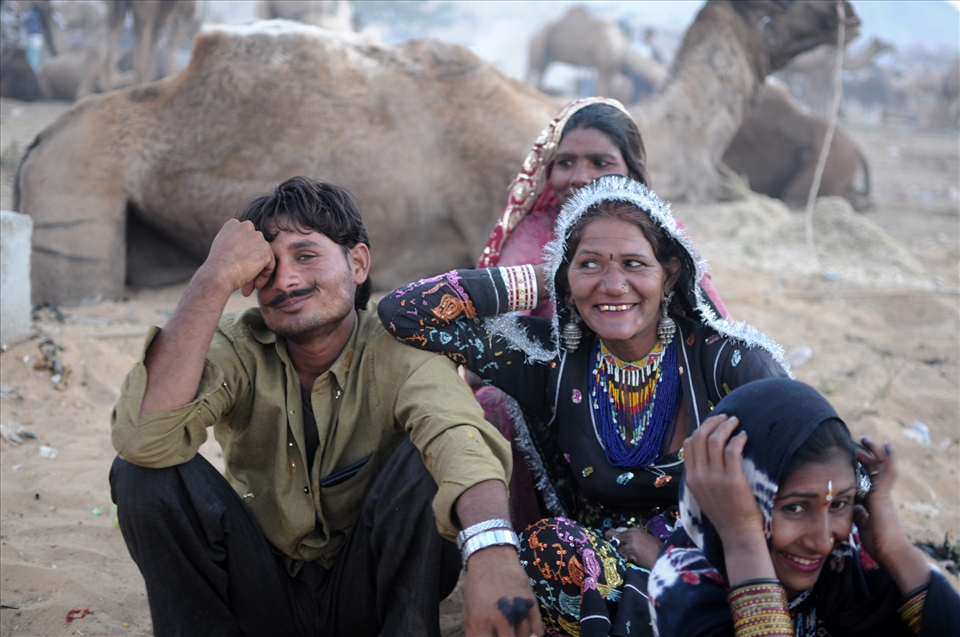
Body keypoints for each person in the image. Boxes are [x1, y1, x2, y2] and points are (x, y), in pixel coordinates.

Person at [109, 176, 541, 637]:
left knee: (425, 463)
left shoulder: (400, 345)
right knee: (142, 473)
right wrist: (213, 277)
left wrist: (493, 552)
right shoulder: (236, 346)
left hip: (369, 593)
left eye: (306, 255)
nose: (287, 279)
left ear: (357, 264)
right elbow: (142, 438)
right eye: (268, 267)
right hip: (259, 592)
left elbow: (458, 435)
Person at [378, 174, 790, 636]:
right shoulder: (549, 359)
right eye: (590, 265)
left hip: (727, 566)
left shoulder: (727, 360)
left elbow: (800, 470)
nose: (613, 286)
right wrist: (543, 278)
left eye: (635, 264)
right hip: (600, 575)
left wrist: (673, 557)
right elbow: (406, 312)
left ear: (669, 273)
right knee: (548, 550)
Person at [475, 97, 730, 533]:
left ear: (632, 170)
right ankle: (537, 543)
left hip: (658, 395)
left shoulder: (659, 234)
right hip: (560, 401)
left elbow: (714, 325)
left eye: (600, 162)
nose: (580, 177)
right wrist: (560, 276)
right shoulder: (536, 233)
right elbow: (493, 328)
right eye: (565, 162)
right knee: (494, 404)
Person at [648, 378, 960, 636]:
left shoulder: (850, 561)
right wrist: (742, 538)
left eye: (839, 503)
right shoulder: (683, 584)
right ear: (727, 501)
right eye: (794, 508)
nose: (823, 540)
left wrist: (894, 547)